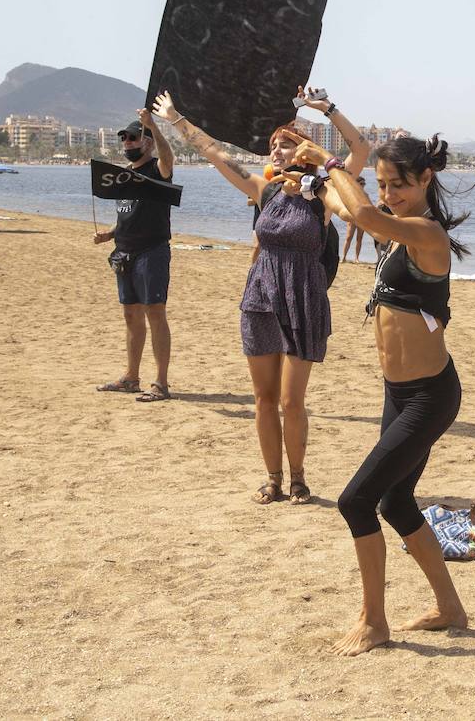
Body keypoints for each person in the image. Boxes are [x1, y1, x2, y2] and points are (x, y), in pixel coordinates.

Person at [284, 131, 470, 656]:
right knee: (396, 501)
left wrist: (329, 159)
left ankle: (374, 620)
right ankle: (450, 608)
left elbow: (364, 214)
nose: (389, 194)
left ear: (426, 179)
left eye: (399, 185)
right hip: (400, 391)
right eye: (384, 186)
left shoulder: (424, 232)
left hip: (430, 397)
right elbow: (348, 206)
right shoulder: (393, 223)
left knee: (356, 501)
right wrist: (312, 179)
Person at [153, 88, 370, 503]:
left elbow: (361, 148)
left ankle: (299, 478)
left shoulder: (323, 194)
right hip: (260, 298)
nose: (275, 150)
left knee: (292, 401)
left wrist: (328, 110)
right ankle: (272, 477)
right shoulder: (264, 192)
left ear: (304, 151)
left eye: (285, 144)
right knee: (264, 400)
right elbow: (216, 153)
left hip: (304, 298)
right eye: (272, 145)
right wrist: (176, 120)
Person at [93, 108, 175, 403]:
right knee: (131, 315)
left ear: (148, 142)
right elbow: (129, 214)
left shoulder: (157, 170)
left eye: (133, 138)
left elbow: (169, 159)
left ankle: (161, 383)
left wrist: (153, 125)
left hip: (152, 251)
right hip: (123, 252)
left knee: (155, 313)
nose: (127, 142)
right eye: (124, 139)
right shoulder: (124, 175)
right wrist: (110, 234)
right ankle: (131, 377)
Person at [342, 176, 370, 263]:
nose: (363, 185)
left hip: (361, 219)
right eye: (361, 183)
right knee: (348, 237)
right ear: (357, 184)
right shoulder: (351, 193)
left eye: (364, 184)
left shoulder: (365, 195)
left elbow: (369, 207)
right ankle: (344, 257)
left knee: (359, 238)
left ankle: (357, 258)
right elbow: (346, 205)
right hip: (352, 218)